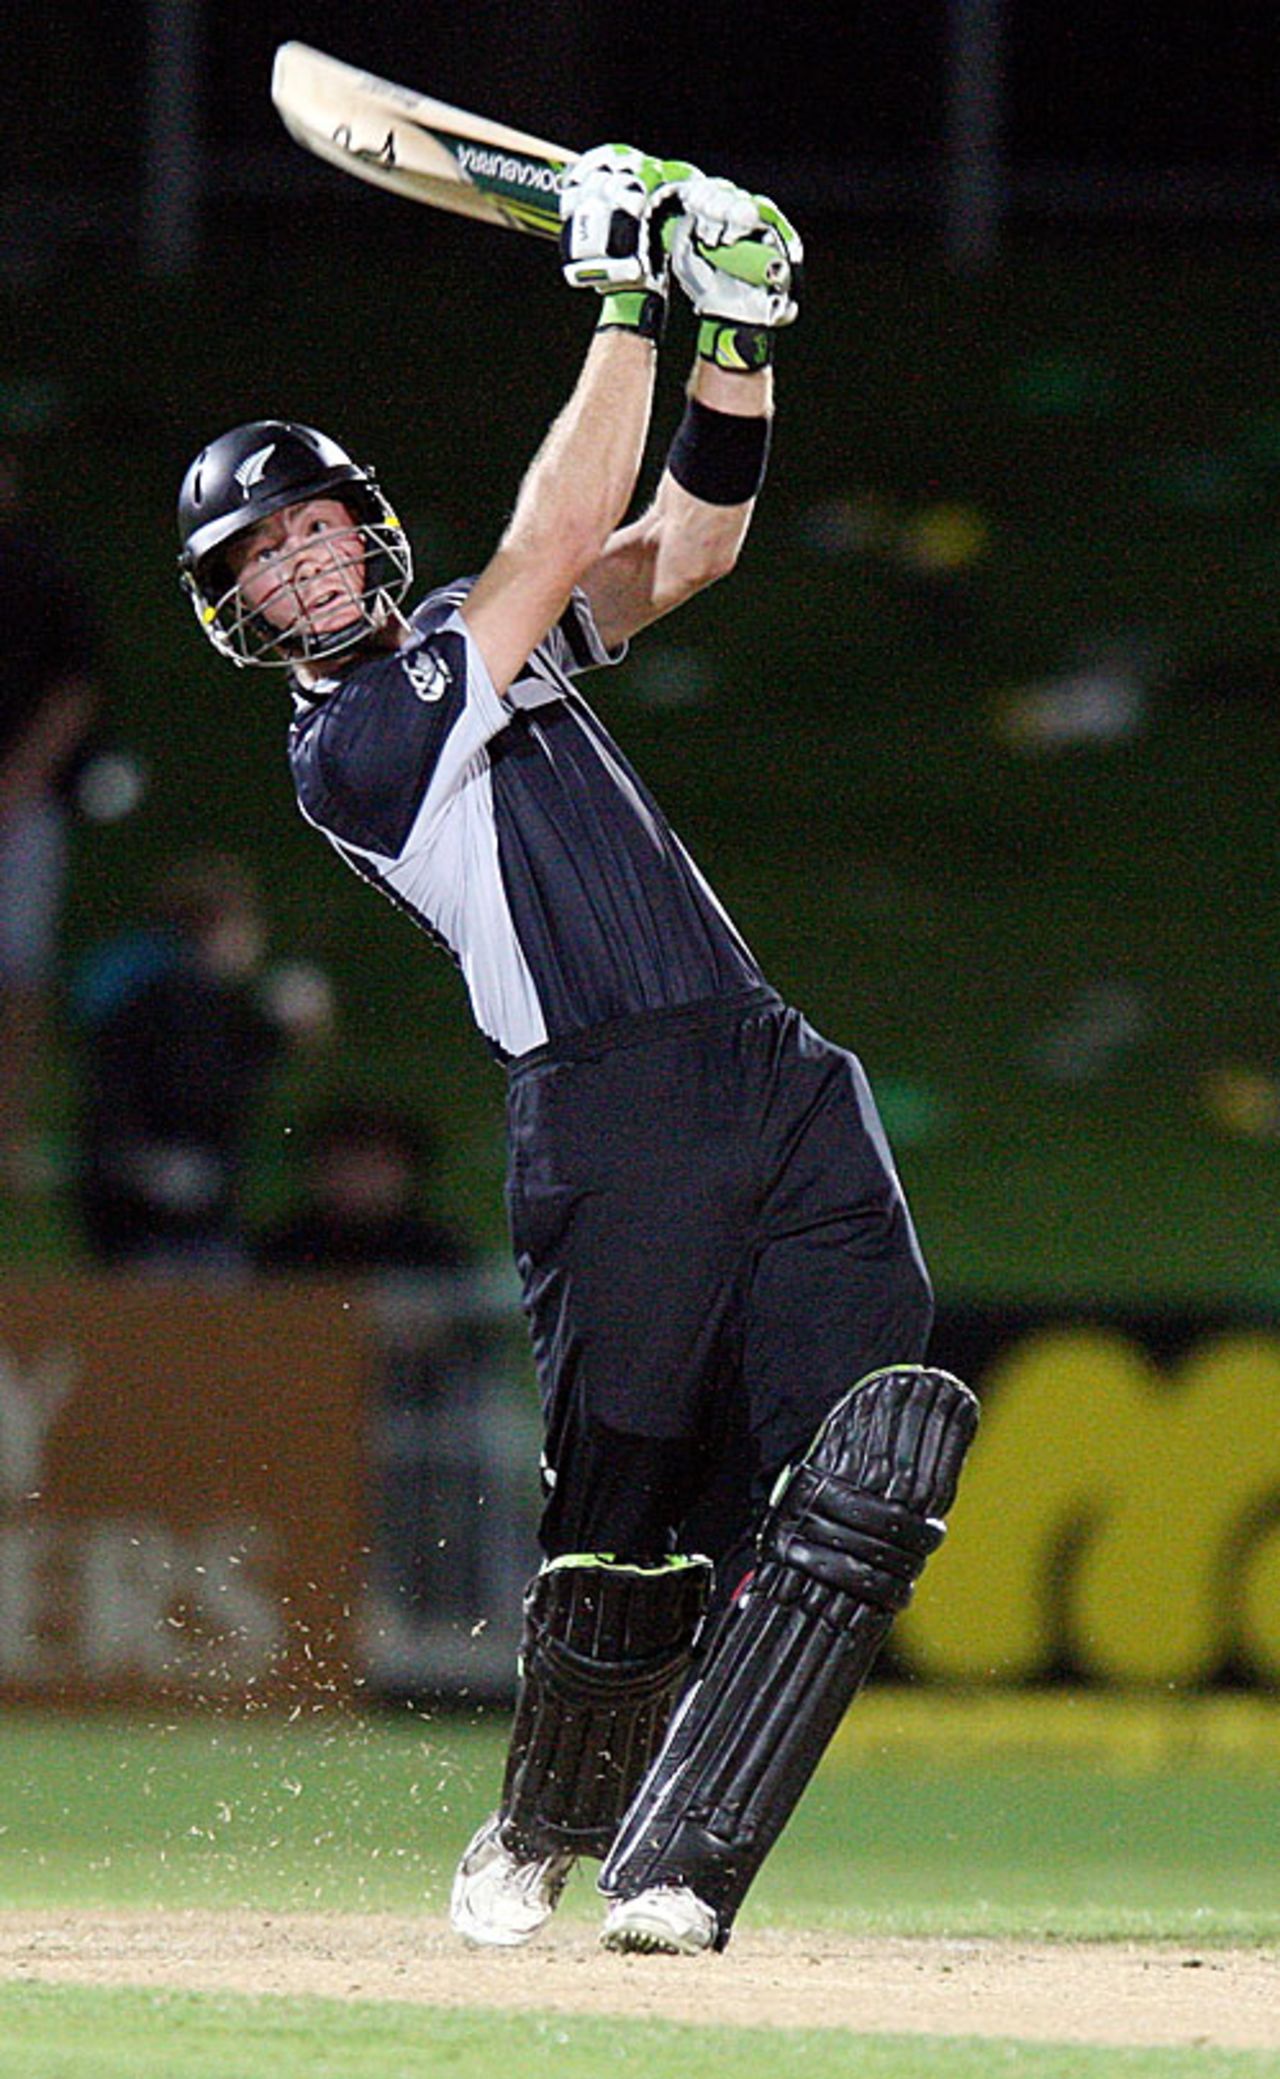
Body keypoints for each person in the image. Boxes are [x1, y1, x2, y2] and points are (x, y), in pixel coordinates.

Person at [176, 151, 979, 1955]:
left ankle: (684, 1856)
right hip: (604, 1113)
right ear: (239, 611)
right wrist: (625, 293)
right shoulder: (353, 752)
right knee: (623, 1521)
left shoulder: (480, 639)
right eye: (264, 557)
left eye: (314, 526)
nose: (303, 563)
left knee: (871, 1457)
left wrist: (741, 339)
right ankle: (543, 1821)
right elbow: (549, 546)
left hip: (768, 1069)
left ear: (361, 528)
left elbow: (682, 544)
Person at [71, 852, 332, 1271]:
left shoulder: (199, 1002)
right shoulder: (171, 1004)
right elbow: (198, 1084)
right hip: (149, 1204)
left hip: (183, 1196)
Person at [0, 448, 101, 1190]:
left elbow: (76, 684)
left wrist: (22, 778)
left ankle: (8, 1134)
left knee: (17, 973)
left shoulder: (38, 571)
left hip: (19, 799)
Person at [254, 1097, 470, 1274]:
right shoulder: (286, 1247)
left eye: (375, 1167)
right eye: (346, 1165)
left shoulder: (432, 1251)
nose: (359, 1180)